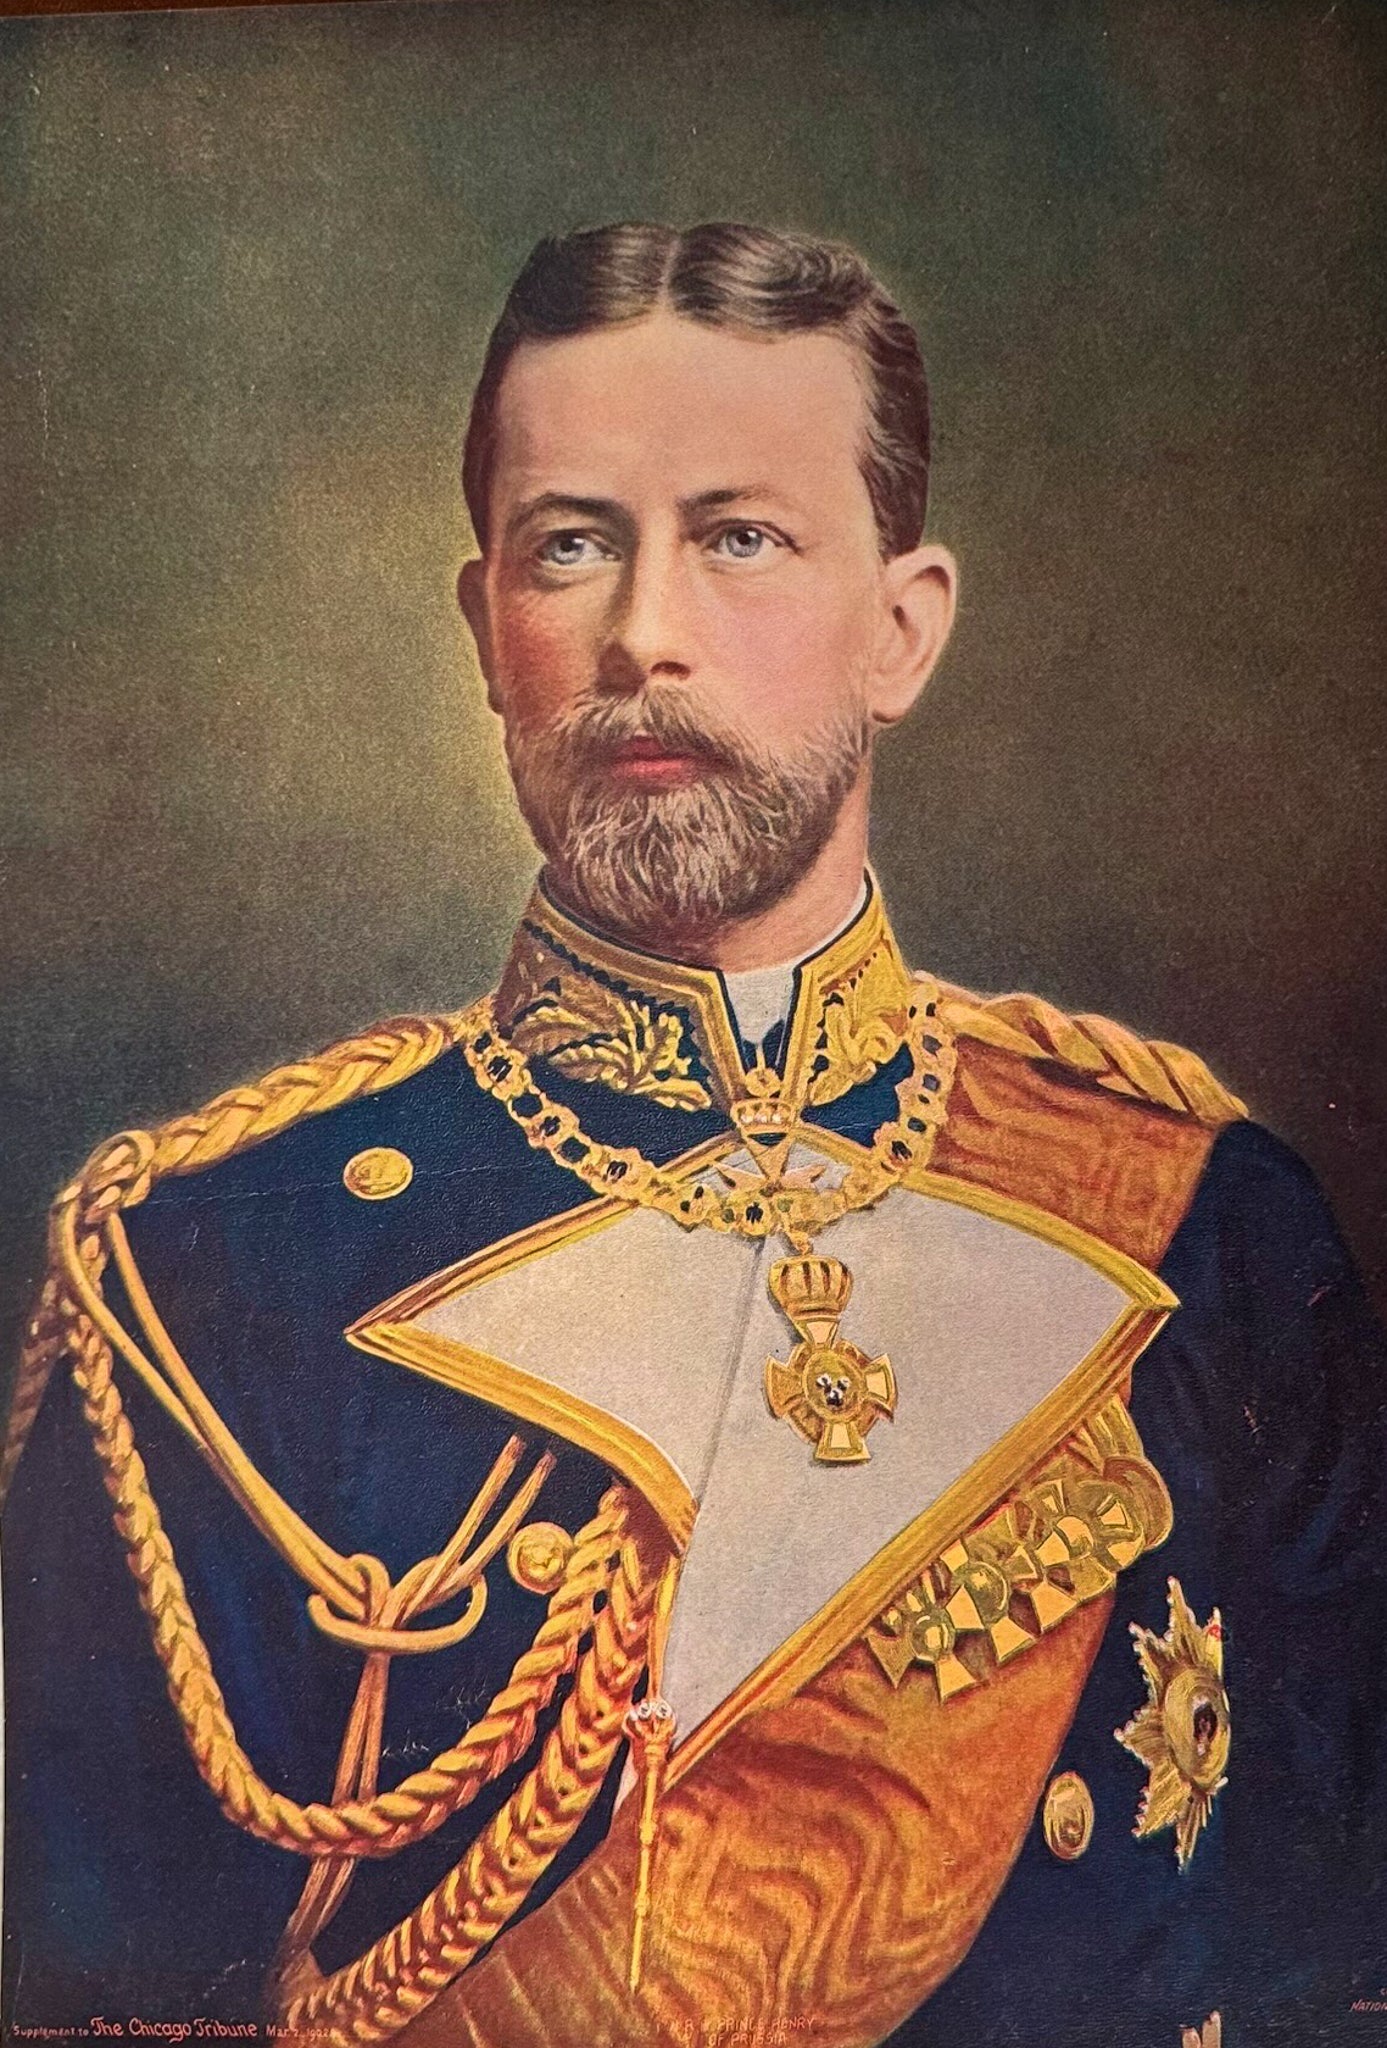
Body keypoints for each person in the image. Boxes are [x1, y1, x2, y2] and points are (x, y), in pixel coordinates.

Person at [3, 221, 1382, 2048]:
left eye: (742, 537)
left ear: (903, 630)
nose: (644, 634)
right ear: (486, 629)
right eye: (573, 544)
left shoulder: (1209, 1232)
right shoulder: (203, 1281)